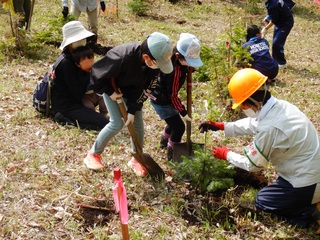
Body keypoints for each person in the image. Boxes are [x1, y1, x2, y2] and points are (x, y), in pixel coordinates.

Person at [198, 68, 320, 231]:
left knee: (262, 200)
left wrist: (226, 154)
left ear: (251, 102)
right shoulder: (280, 107)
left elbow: (252, 165)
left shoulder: (270, 127)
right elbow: (255, 123)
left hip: (306, 183)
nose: (242, 109)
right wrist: (223, 126)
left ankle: (308, 213)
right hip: (311, 173)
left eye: (242, 105)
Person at [83, 32, 173, 175]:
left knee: (137, 123)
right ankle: (93, 154)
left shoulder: (154, 66)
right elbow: (97, 74)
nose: (160, 67)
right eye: (158, 63)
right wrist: (110, 92)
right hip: (112, 87)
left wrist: (133, 108)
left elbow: (147, 89)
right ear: (146, 57)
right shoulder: (121, 57)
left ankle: (137, 159)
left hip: (133, 92)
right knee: (117, 123)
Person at [150, 33, 203, 160]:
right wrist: (183, 112)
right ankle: (172, 153)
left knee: (173, 121)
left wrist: (190, 68)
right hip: (162, 101)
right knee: (179, 127)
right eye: (188, 61)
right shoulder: (174, 72)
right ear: (178, 56)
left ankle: (164, 141)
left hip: (160, 97)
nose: (190, 64)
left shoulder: (175, 62)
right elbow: (172, 96)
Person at [51, 21, 109, 130]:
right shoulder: (66, 62)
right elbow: (77, 92)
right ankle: (63, 118)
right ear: (69, 44)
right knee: (104, 124)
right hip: (67, 105)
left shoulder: (77, 56)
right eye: (77, 40)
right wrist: (88, 74)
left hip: (78, 100)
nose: (81, 42)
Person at [71, 46, 108, 116]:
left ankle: (104, 116)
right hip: (85, 96)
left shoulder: (96, 67)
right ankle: (94, 117)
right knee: (89, 107)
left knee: (104, 102)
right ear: (78, 64)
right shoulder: (78, 73)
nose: (89, 63)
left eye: (90, 59)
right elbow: (81, 85)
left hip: (96, 93)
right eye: (84, 61)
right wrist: (89, 74)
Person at [261, 0, 294, 68]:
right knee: (274, 43)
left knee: (277, 43)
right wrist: (268, 17)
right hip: (279, 22)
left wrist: (265, 28)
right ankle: (275, 60)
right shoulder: (270, 2)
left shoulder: (273, 4)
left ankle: (282, 63)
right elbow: (275, 12)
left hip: (286, 23)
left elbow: (274, 20)